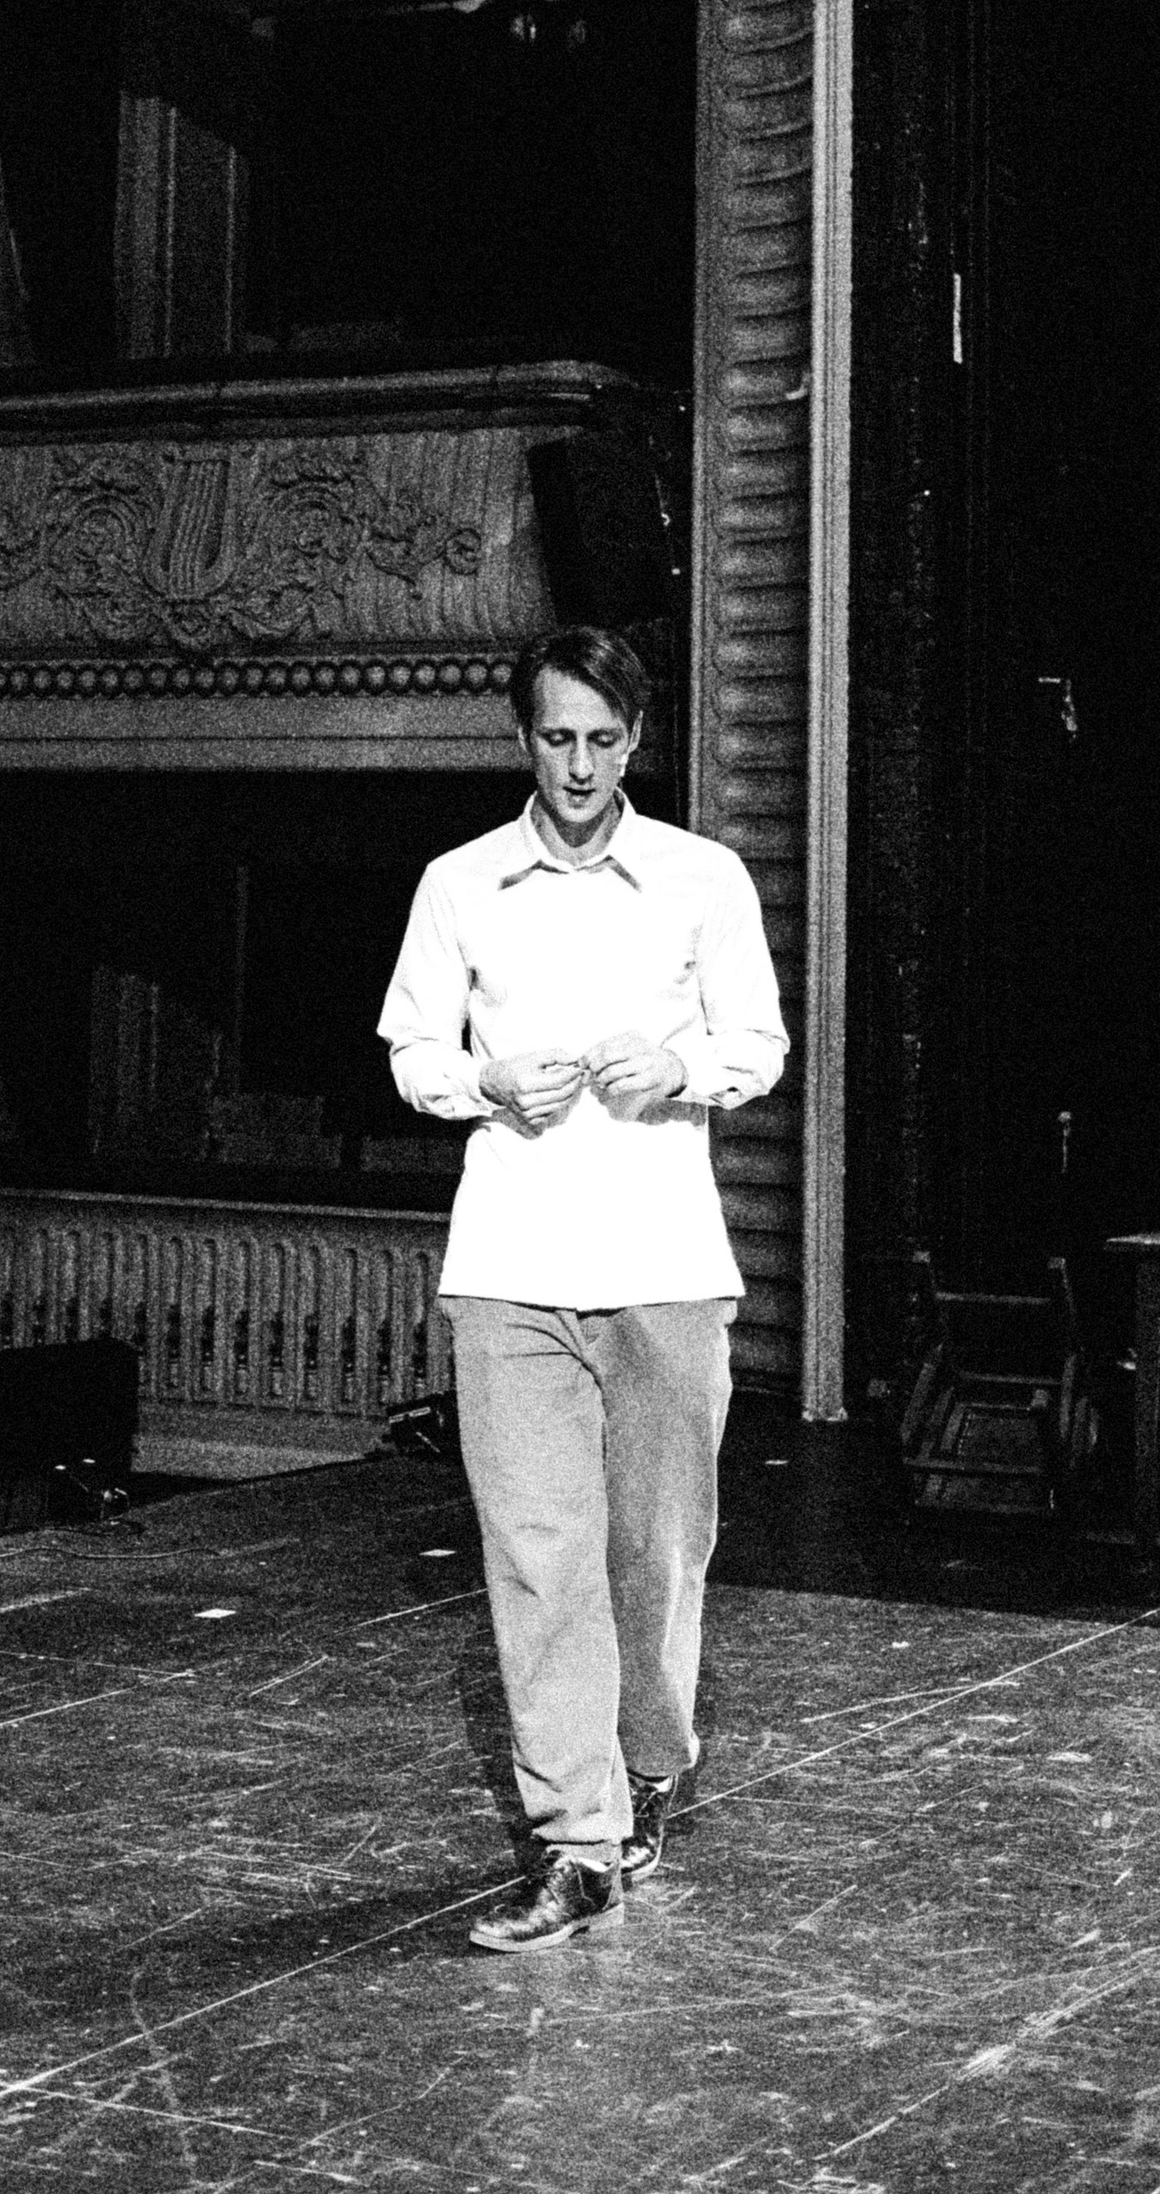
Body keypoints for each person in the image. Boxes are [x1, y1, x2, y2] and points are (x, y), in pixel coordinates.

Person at [379, 623, 786, 1952]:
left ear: (638, 739)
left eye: (603, 738)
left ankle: (650, 1760)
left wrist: (688, 1073)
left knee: (653, 1558)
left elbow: (759, 1042)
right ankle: (579, 1840)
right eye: (557, 736)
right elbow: (413, 1048)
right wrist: (480, 1080)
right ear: (524, 737)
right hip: (509, 1267)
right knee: (540, 1558)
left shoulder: (700, 877)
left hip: (666, 1265)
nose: (579, 761)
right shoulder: (460, 884)